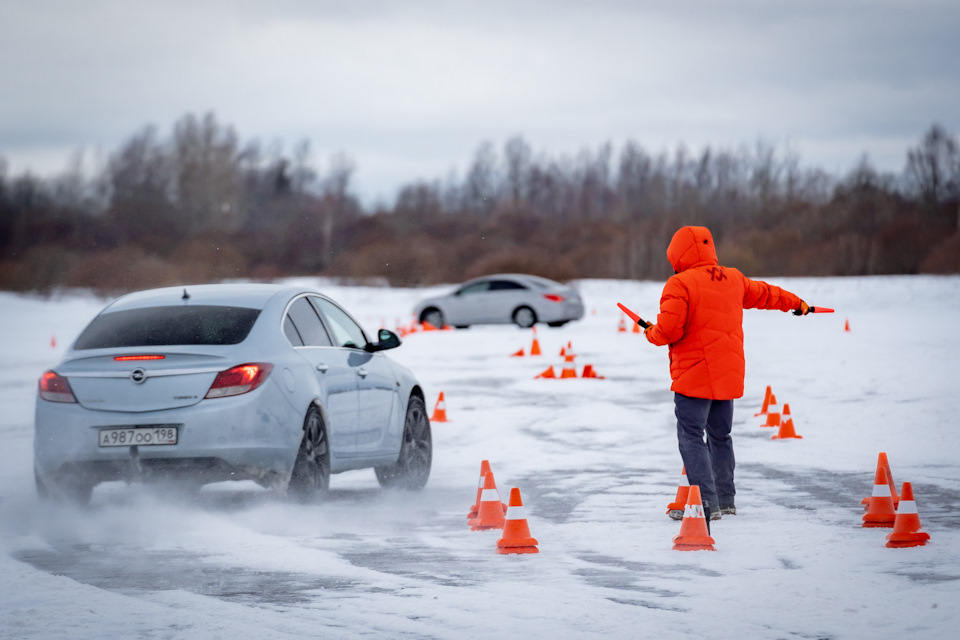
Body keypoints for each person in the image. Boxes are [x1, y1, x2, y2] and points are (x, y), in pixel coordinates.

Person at [641, 226, 810, 526]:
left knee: (691, 437)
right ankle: (725, 500)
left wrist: (650, 332)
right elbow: (767, 294)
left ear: (678, 255)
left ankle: (706, 504)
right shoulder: (733, 278)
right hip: (726, 375)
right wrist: (797, 304)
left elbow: (669, 331)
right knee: (721, 436)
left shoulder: (679, 284)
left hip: (694, 375)